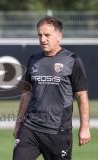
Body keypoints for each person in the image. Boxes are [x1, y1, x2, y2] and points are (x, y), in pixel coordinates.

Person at [13, 16, 91, 160]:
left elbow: (81, 96)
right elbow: (26, 94)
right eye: (40, 35)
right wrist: (19, 123)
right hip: (30, 129)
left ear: (59, 36)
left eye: (47, 35)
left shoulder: (72, 60)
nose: (42, 39)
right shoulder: (33, 59)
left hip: (58, 132)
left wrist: (84, 127)